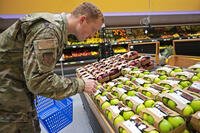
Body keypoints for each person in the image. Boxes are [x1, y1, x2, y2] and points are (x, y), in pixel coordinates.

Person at [0, 2, 104, 133]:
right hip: (8, 92)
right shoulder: (48, 31)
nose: (92, 35)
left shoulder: (56, 29)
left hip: (16, 86)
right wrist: (80, 85)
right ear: (82, 20)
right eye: (93, 30)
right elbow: (39, 81)